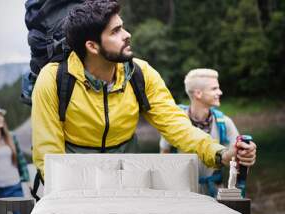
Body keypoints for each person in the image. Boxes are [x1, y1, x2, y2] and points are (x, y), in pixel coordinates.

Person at [31, 0, 256, 180]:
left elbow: (177, 126)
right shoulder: (53, 80)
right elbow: (48, 152)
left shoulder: (140, 74)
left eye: (123, 26)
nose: (127, 34)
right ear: (92, 46)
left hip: (127, 174)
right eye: (116, 31)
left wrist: (221, 153)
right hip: (75, 177)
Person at [159, 68, 239, 196]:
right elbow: (164, 157)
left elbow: (237, 162)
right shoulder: (174, 123)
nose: (220, 92)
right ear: (198, 94)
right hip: (181, 194)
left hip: (215, 194)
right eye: (214, 89)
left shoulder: (224, 123)